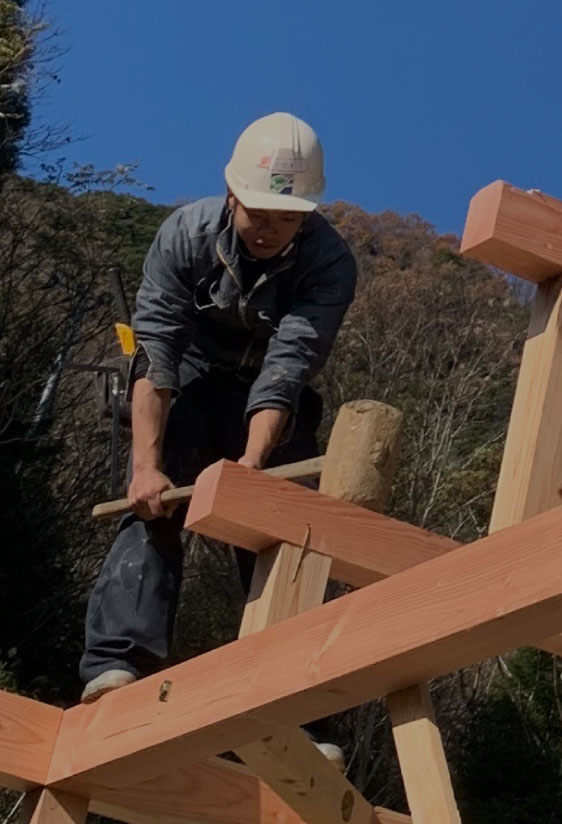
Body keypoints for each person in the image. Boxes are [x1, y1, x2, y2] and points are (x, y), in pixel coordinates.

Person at [78, 112, 357, 708]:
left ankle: (295, 699)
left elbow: (289, 365)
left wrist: (252, 465)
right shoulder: (185, 235)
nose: (271, 230)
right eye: (259, 213)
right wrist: (146, 467)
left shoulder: (330, 263)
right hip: (191, 379)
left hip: (268, 397)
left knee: (284, 530)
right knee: (152, 500)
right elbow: (155, 352)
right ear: (232, 194)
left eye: (289, 218)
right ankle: (119, 663)